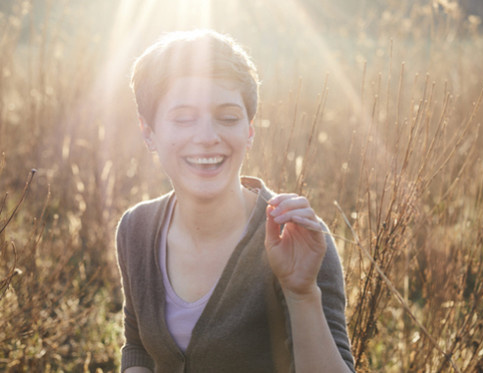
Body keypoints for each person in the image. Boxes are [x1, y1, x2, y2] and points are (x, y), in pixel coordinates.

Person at [116, 29, 354, 373]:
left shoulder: (297, 238)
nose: (207, 138)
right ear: (148, 131)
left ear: (250, 130)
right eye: (183, 118)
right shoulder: (135, 229)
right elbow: (138, 345)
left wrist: (302, 294)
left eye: (228, 117)